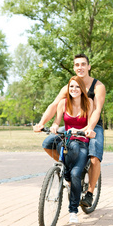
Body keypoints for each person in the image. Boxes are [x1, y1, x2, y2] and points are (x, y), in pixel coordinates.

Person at [34, 53, 106, 207]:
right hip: (72, 124)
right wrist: (41, 123)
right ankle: (71, 166)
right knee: (48, 143)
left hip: (93, 125)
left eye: (83, 64)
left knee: (94, 157)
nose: (80, 67)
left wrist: (90, 128)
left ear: (88, 66)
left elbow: (97, 110)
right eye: (77, 65)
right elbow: (54, 105)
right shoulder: (71, 85)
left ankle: (89, 194)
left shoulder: (98, 86)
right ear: (74, 67)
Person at [50, 76, 94, 223]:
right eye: (71, 87)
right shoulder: (63, 103)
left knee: (75, 174)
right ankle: (67, 176)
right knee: (66, 146)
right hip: (67, 141)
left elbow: (89, 125)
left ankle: (73, 211)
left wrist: (79, 130)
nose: (74, 90)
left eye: (77, 87)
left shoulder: (88, 103)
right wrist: (55, 126)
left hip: (82, 142)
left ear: (81, 89)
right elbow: (57, 121)